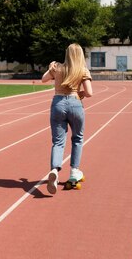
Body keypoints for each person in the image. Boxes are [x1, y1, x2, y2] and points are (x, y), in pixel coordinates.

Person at [41, 43, 93, 195]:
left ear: (67, 54)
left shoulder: (57, 67)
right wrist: (81, 93)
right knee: (77, 138)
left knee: (58, 141)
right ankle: (74, 171)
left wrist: (51, 69)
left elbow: (44, 79)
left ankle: (54, 171)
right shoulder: (82, 70)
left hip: (58, 104)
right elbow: (89, 92)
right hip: (75, 103)